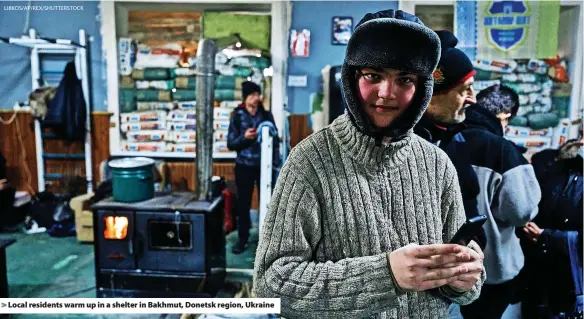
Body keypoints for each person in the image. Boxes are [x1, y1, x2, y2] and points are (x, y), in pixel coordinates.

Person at [253, 10, 485, 318]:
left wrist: (465, 278)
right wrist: (384, 275)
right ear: (352, 79)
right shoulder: (308, 161)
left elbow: (459, 283)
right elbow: (270, 284)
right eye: (373, 76)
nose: (387, 93)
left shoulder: (437, 164)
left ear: (422, 88)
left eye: (404, 79)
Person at [458, 84, 541, 319]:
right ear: (505, 116)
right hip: (490, 268)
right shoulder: (504, 151)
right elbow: (520, 212)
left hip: (445, 264)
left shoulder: (446, 137)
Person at [414, 30, 485, 249]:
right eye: (465, 89)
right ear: (431, 96)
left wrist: (474, 246)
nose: (473, 99)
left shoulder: (453, 138)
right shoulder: (403, 150)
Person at [520, 133, 583, 318]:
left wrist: (547, 237)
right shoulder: (562, 168)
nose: (581, 141)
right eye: (581, 134)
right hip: (540, 276)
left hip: (574, 281)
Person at [227, 81, 280, 254]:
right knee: (243, 204)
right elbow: (231, 143)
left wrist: (274, 162)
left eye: (257, 94)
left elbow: (276, 139)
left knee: (270, 202)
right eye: (252, 95)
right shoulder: (237, 116)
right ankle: (243, 240)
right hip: (244, 167)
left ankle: (270, 241)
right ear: (246, 98)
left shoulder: (266, 115)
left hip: (264, 167)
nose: (256, 98)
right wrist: (244, 138)